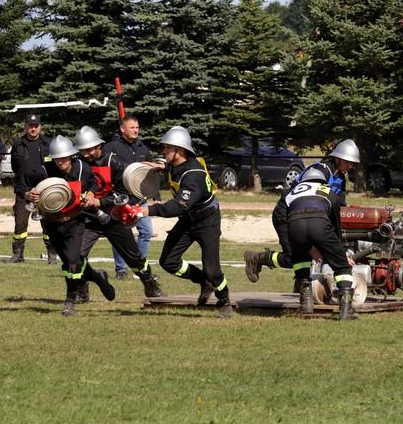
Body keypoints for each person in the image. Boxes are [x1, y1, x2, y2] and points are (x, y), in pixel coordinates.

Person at [140, 126, 232, 318]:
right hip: (188, 220)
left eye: (167, 148)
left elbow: (178, 206)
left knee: (212, 270)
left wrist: (150, 210)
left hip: (207, 221)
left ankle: (224, 301)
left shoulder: (193, 175)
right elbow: (175, 169)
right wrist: (161, 167)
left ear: (179, 150)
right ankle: (203, 281)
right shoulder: (178, 164)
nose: (163, 151)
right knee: (168, 262)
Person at [244, 139, 360, 287]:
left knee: (303, 257)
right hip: (287, 212)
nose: (350, 166)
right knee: (294, 257)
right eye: (347, 162)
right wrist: (313, 249)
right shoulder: (319, 169)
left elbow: (338, 207)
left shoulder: (340, 179)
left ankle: (302, 289)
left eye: (352, 163)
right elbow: (306, 198)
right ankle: (257, 258)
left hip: (311, 216)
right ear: (337, 158)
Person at [23, 135, 116, 315]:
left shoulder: (83, 168)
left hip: (75, 221)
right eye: (57, 159)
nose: (61, 162)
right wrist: (28, 194)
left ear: (72, 156)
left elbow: (94, 184)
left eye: (64, 158)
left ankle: (70, 301)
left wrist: (91, 194)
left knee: (71, 263)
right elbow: (21, 185)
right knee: (70, 261)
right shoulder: (43, 170)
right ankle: (97, 276)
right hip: (51, 223)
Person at [75, 126, 164, 298]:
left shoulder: (115, 163)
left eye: (89, 150)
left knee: (134, 258)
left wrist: (101, 201)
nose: (85, 155)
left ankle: (150, 283)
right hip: (89, 219)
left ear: (98, 146)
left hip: (113, 218)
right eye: (82, 151)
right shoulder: (78, 164)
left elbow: (125, 195)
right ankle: (82, 287)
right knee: (76, 255)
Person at [284, 165, 356, 320]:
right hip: (320, 224)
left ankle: (306, 304)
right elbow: (335, 224)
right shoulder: (327, 191)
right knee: (343, 267)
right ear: (323, 181)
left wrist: (290, 242)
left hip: (294, 226)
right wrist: (339, 252)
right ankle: (346, 311)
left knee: (301, 260)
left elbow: (280, 215)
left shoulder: (292, 191)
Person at [103, 115, 155, 279]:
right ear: (122, 129)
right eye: (132, 127)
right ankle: (121, 270)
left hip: (140, 199)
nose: (135, 130)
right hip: (121, 199)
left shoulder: (143, 149)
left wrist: (155, 194)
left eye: (137, 127)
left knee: (146, 232)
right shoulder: (111, 147)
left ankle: (141, 268)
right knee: (121, 235)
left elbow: (150, 174)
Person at [10, 113, 57, 263]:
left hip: (45, 191)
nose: (33, 129)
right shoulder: (18, 144)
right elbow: (15, 168)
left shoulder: (48, 143)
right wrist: (25, 192)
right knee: (20, 224)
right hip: (24, 192)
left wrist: (44, 189)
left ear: (40, 127)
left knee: (48, 224)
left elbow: (54, 168)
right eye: (30, 126)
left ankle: (52, 256)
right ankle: (18, 255)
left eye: (36, 126)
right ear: (26, 127)